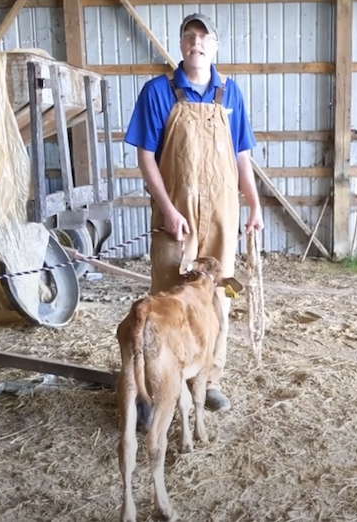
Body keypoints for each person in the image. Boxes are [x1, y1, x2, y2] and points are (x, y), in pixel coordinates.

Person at [124, 13, 264, 416]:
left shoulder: (230, 93)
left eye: (204, 38)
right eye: (189, 37)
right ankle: (157, 387)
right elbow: (146, 156)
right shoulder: (157, 92)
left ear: (215, 46)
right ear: (181, 45)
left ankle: (209, 379)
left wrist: (253, 203)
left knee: (217, 296)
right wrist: (167, 208)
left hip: (222, 214)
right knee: (168, 300)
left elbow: (242, 156)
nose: (196, 43)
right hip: (176, 218)